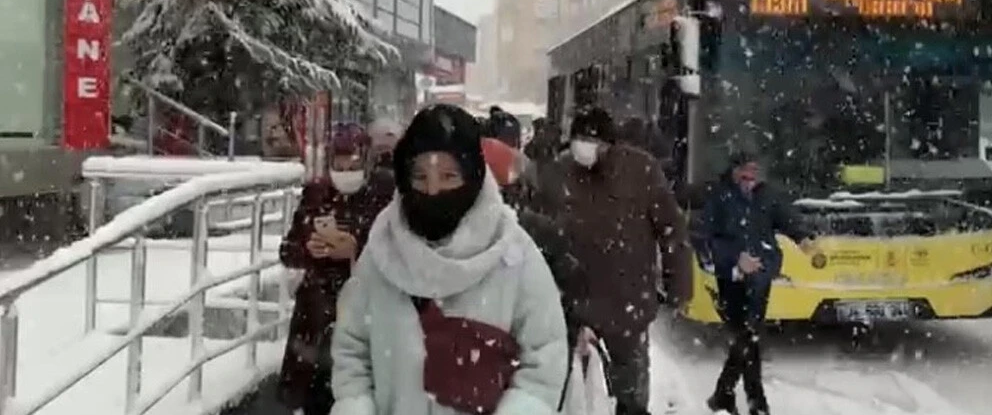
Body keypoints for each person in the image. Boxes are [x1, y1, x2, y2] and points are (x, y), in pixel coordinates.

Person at [329, 104, 568, 415]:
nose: (433, 190)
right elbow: (351, 349)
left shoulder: (514, 255)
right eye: (420, 176)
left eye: (448, 176)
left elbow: (544, 358)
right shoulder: (381, 250)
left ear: (472, 176)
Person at [531, 105, 692, 415]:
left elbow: (671, 229)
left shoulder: (641, 170)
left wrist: (679, 285)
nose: (584, 147)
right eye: (578, 138)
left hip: (626, 305)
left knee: (629, 398)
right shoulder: (559, 171)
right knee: (565, 396)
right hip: (570, 305)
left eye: (592, 140)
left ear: (610, 144)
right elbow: (542, 229)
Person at [277, 123, 393, 415]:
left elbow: (397, 251)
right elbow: (288, 249)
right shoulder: (317, 193)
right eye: (339, 160)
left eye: (353, 159)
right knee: (315, 393)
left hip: (367, 308)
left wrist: (356, 249)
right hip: (315, 313)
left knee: (361, 393)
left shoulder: (385, 194)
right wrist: (309, 248)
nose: (345, 167)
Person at [693, 152, 821, 415]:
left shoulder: (767, 195)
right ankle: (740, 398)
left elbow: (786, 219)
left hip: (761, 276)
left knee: (749, 337)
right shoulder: (719, 196)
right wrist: (736, 259)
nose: (750, 177)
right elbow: (704, 238)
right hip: (731, 279)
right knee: (746, 338)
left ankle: (734, 397)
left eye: (755, 171)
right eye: (745, 171)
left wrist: (803, 238)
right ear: (734, 171)